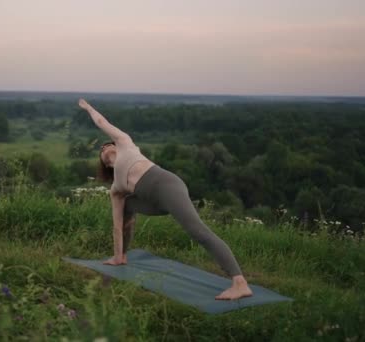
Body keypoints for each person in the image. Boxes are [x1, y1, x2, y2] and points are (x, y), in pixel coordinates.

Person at [78, 98, 253, 300]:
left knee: (198, 232)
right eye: (101, 151)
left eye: (107, 145)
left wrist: (89, 108)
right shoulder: (116, 189)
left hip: (168, 186)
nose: (104, 148)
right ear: (105, 164)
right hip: (154, 202)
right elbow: (117, 225)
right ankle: (122, 256)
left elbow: (102, 123)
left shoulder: (125, 143)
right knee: (126, 206)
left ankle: (240, 283)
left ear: (115, 144)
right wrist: (117, 255)